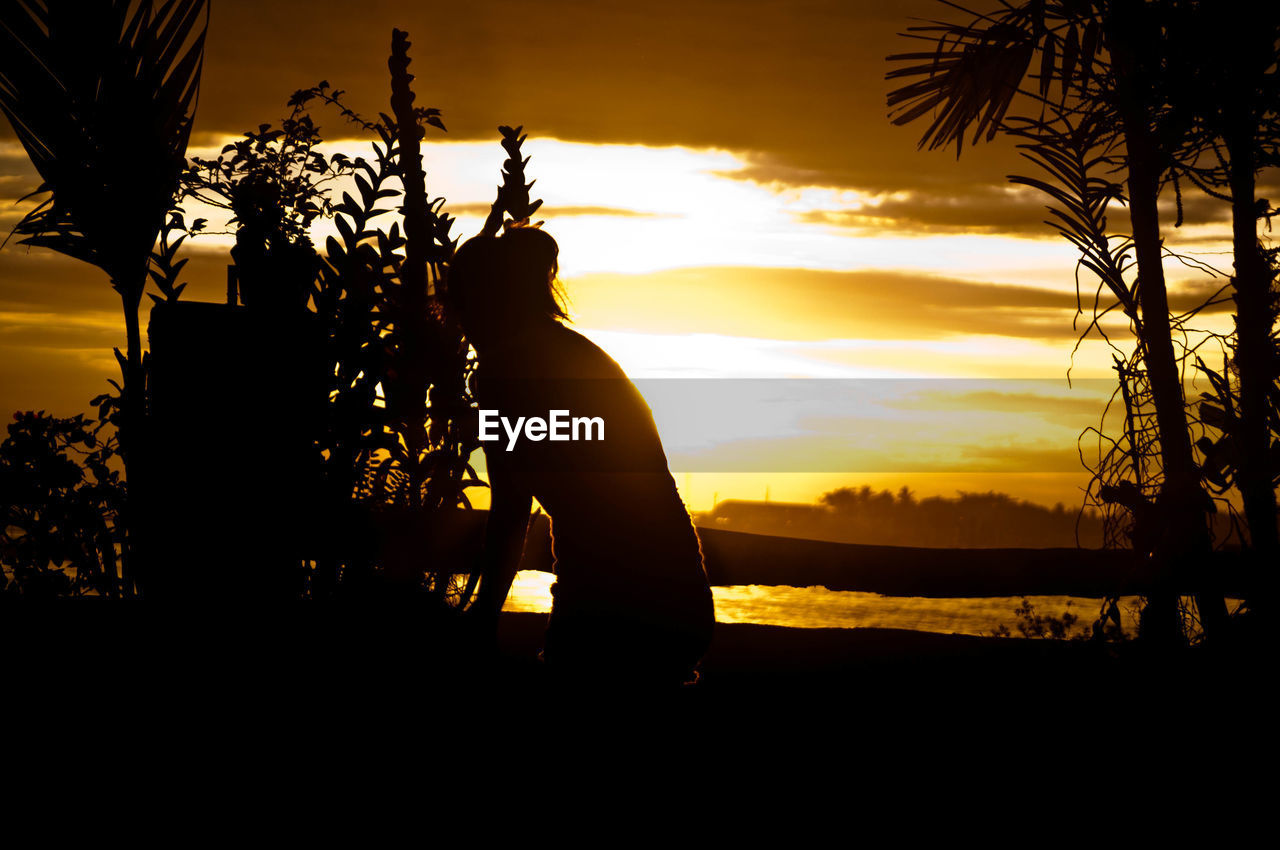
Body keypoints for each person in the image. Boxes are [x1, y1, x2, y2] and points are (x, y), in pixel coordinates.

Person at [448, 223, 715, 687]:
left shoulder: (503, 371)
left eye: (460, 307)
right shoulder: (577, 354)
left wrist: (482, 618)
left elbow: (512, 513)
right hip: (679, 592)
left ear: (480, 304)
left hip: (611, 597)